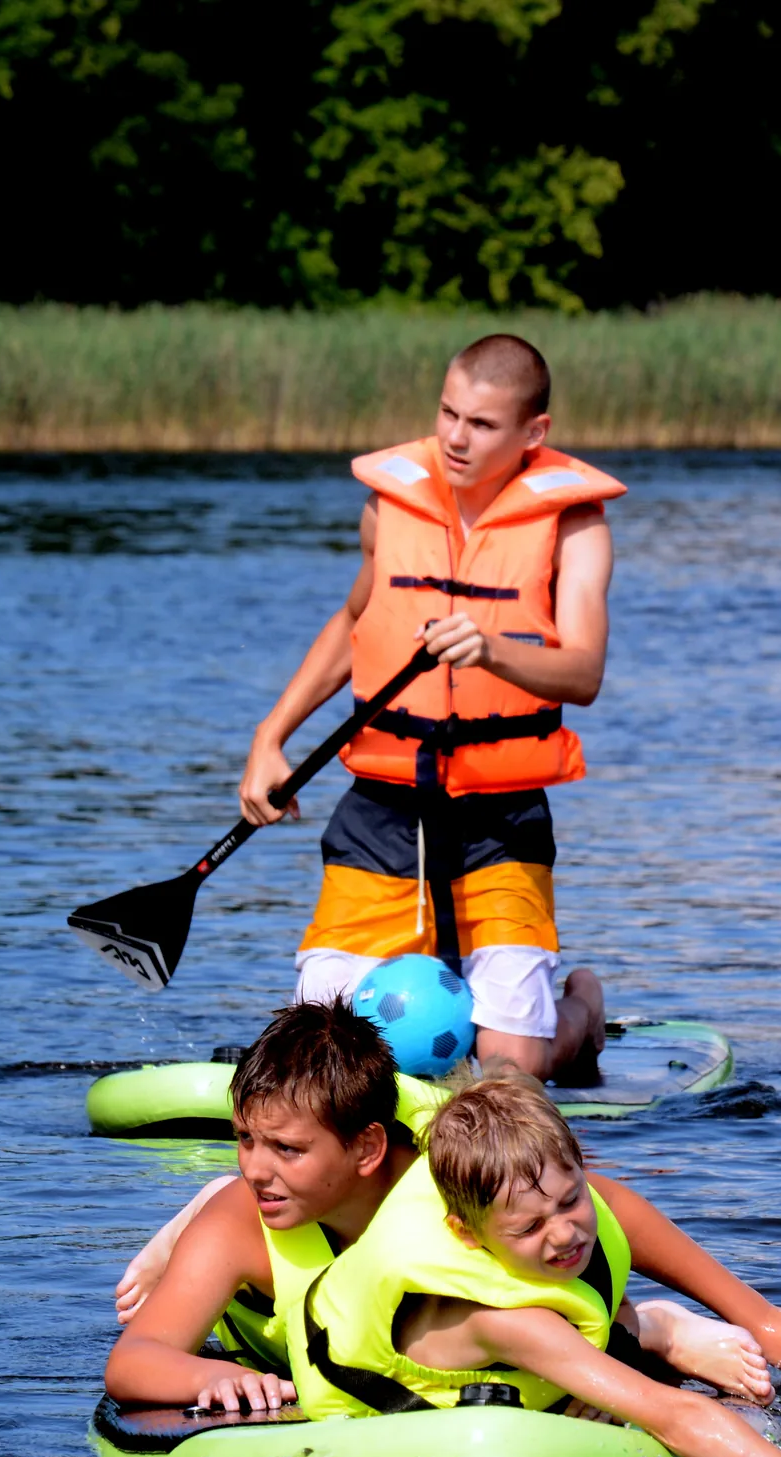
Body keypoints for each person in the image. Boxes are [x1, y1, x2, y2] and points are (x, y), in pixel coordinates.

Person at [104, 1002, 781, 1414]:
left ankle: (647, 1326)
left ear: (367, 1149)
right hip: (290, 1348)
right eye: (244, 1142)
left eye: (287, 1151)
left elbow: (608, 1204)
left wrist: (765, 1318)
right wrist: (206, 1380)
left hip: (467, 1316)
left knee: (540, 1245)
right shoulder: (243, 1216)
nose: (256, 1171)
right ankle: (176, 1222)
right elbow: (135, 1360)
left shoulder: (444, 1165)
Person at [238, 334, 616, 1082]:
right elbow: (356, 623)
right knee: (317, 1055)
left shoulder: (575, 526)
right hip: (381, 811)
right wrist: (270, 736)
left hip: (499, 820)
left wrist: (491, 648)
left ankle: (583, 1010)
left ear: (532, 433)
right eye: (447, 413)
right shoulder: (391, 505)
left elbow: (583, 671)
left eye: (480, 424)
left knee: (512, 1070)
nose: (454, 437)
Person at [300, 1073, 781, 1457]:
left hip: (556, 1351)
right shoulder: (507, 1320)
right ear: (466, 1234)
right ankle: (652, 1329)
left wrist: (764, 1319)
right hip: (390, 1384)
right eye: (531, 1227)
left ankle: (648, 1326)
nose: (565, 1232)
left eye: (572, 1201)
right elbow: (673, 1417)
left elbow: (617, 1213)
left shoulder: (538, 1197)